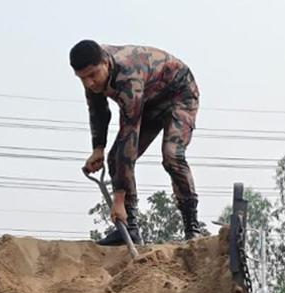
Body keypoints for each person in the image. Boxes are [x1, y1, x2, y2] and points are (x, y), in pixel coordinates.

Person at [72, 40, 204, 243]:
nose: (89, 83)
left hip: (180, 94)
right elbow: (98, 112)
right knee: (114, 159)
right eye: (82, 78)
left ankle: (192, 227)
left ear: (105, 63)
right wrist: (98, 148)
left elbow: (129, 138)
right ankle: (130, 229)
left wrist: (118, 199)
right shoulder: (93, 76)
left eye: (92, 75)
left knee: (172, 155)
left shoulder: (128, 77)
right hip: (149, 101)